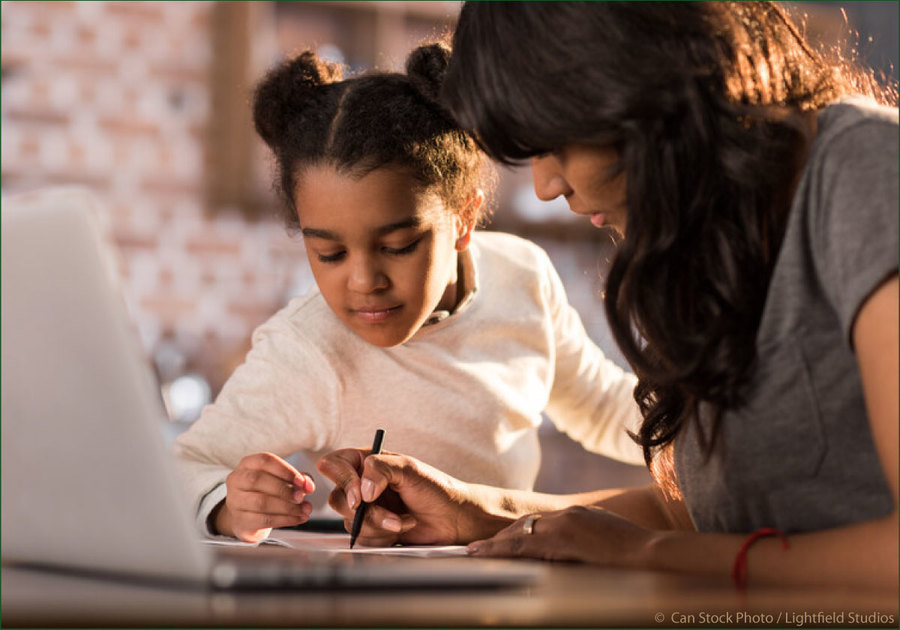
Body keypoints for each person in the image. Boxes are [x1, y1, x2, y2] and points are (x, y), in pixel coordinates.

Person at [318, 2, 898, 590]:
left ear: (638, 81)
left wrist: (650, 554)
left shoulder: (867, 170)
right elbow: (705, 516)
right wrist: (480, 513)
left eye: (553, 143)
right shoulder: (716, 235)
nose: (547, 186)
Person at [172, 42, 645, 543]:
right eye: (329, 254)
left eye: (398, 245)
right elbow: (180, 467)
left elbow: (602, 407)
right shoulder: (307, 350)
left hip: (510, 588)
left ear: (464, 217)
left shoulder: (521, 274)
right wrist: (226, 503)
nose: (363, 281)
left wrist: (709, 432)